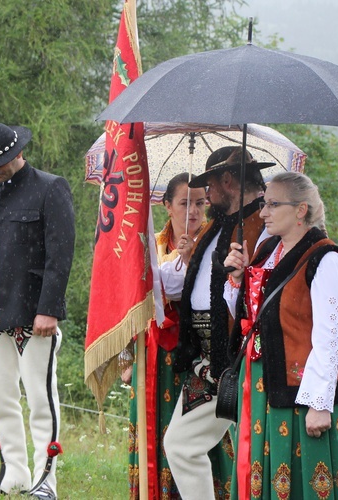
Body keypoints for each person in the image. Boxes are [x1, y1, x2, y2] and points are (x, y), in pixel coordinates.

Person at [223, 171, 338, 499]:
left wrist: (319, 405)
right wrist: (238, 277)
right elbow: (247, 313)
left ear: (301, 211)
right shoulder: (268, 250)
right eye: (264, 203)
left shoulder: (326, 260)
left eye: (272, 204)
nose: (263, 212)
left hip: (304, 391)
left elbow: (330, 337)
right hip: (262, 384)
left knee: (304, 478)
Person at [0, 123, 75, 499]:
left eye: (1, 162)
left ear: (18, 153)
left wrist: (50, 309)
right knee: (0, 397)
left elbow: (61, 255)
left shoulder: (49, 187)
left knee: (41, 399)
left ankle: (46, 481)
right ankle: (14, 475)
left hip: (33, 314)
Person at [162, 146, 274, 499]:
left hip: (247, 362)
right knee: (180, 444)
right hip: (210, 366)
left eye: (209, 186)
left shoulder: (265, 228)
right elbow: (190, 283)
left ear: (227, 180)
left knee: (259, 457)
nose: (205, 195)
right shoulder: (216, 227)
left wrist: (243, 275)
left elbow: (270, 293)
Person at [126, 174, 207, 499]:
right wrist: (126, 357)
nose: (193, 211)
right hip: (150, 351)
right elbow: (131, 301)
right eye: (185, 202)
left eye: (200, 203)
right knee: (151, 426)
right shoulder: (149, 243)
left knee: (187, 436)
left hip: (193, 353)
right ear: (167, 205)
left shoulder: (213, 241)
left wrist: (190, 260)